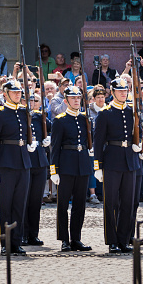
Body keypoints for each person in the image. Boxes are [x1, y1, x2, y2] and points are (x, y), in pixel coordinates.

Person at [0, 80, 36, 255]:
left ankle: (17, 242)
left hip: (23, 162)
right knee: (6, 206)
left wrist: (32, 143)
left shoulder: (24, 112)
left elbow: (29, 131)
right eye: (14, 92)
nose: (18, 95)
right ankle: (6, 244)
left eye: (19, 92)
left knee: (19, 205)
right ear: (6, 94)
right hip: (6, 164)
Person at [93, 78, 139, 253]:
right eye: (119, 91)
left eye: (125, 90)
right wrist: (97, 166)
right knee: (111, 203)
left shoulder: (131, 112)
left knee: (128, 202)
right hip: (112, 160)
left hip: (130, 160)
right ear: (112, 92)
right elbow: (98, 142)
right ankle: (112, 241)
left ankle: (124, 239)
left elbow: (140, 133)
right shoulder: (105, 113)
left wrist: (141, 146)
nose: (123, 93)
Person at [50, 85, 93, 252]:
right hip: (66, 166)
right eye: (73, 98)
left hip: (82, 165)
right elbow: (55, 147)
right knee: (62, 205)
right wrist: (54, 170)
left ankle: (76, 238)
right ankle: (64, 239)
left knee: (79, 205)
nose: (76, 101)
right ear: (66, 101)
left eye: (78, 98)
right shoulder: (60, 120)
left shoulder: (84, 119)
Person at [23, 93, 51, 247]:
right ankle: (23, 233)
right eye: (30, 100)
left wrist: (49, 138)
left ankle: (33, 234)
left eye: (36, 100)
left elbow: (52, 130)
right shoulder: (21, 115)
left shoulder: (42, 119)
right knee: (24, 200)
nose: (33, 102)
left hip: (40, 162)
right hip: (26, 161)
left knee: (35, 201)